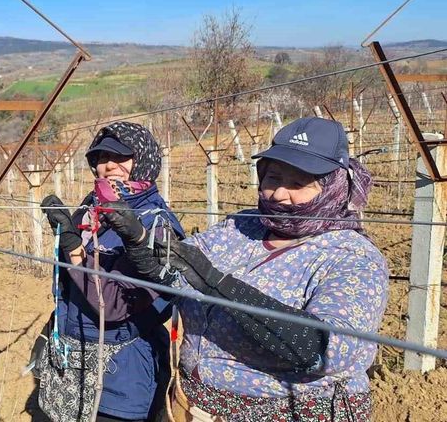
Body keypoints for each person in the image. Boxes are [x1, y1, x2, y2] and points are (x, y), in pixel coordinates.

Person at [101, 117, 388, 422]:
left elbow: (326, 351)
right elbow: (177, 270)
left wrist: (218, 285)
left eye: (297, 183)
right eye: (273, 178)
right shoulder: (243, 226)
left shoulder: (353, 257)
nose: (278, 193)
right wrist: (139, 239)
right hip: (193, 407)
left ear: (333, 187)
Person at [37, 121, 185, 422]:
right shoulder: (91, 208)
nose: (109, 165)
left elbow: (115, 304)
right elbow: (65, 287)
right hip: (72, 361)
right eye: (101, 158)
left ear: (143, 159)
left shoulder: (157, 225)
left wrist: (74, 249)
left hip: (121, 375)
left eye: (120, 157)